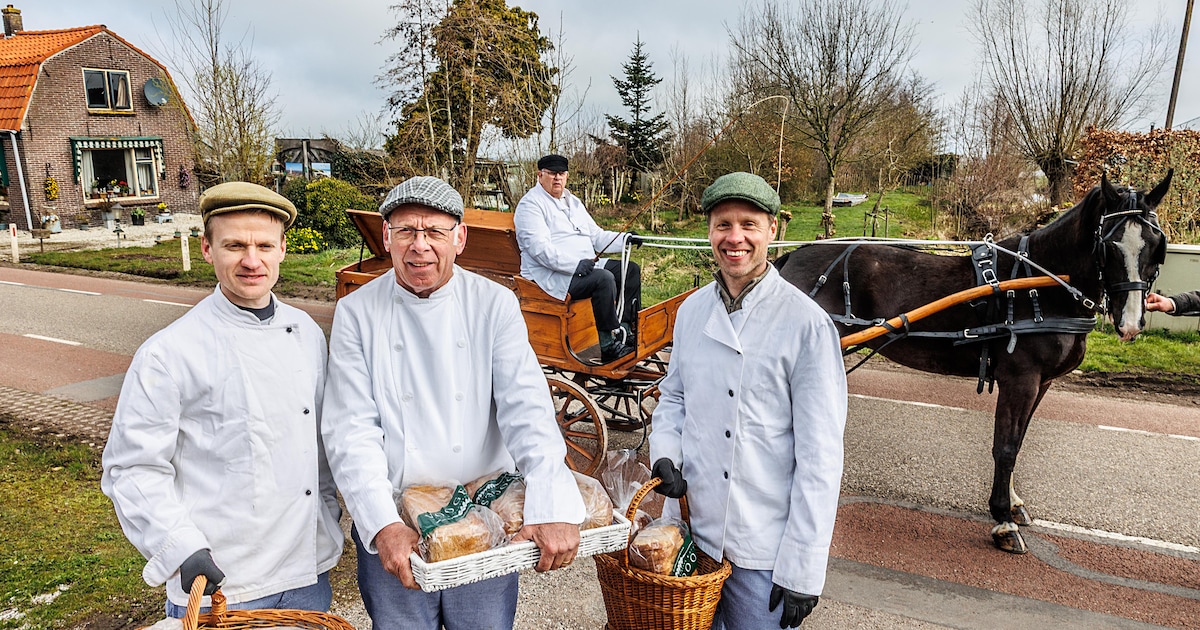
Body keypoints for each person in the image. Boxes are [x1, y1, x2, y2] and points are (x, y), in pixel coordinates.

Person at [321, 175, 585, 629]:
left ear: (459, 238)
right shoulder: (357, 312)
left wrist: (552, 505)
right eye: (405, 231)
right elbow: (350, 428)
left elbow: (528, 411)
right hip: (397, 524)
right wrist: (382, 524)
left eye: (434, 232)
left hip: (480, 522)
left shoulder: (494, 304)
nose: (419, 245)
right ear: (386, 237)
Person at [101, 182, 343, 617]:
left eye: (264, 245)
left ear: (283, 249)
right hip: (221, 584)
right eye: (235, 245)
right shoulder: (168, 353)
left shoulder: (306, 331)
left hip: (307, 575)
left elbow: (321, 442)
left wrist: (328, 511)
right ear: (207, 248)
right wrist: (179, 546)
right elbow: (132, 468)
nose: (252, 261)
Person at [648, 172, 847, 629]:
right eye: (723, 225)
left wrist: (803, 567)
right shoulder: (692, 310)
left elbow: (820, 457)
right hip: (692, 535)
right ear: (709, 232)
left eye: (748, 225)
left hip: (763, 549)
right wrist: (664, 454)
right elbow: (674, 397)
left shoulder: (807, 325)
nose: (734, 238)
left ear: (772, 230)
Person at [514, 153, 643, 362]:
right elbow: (539, 249)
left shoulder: (573, 202)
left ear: (567, 176)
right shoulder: (530, 205)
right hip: (552, 275)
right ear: (540, 175)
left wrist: (626, 239)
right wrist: (574, 265)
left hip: (585, 266)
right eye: (552, 174)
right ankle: (608, 346)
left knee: (630, 271)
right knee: (603, 279)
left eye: (561, 174)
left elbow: (598, 237)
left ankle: (625, 331)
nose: (557, 178)